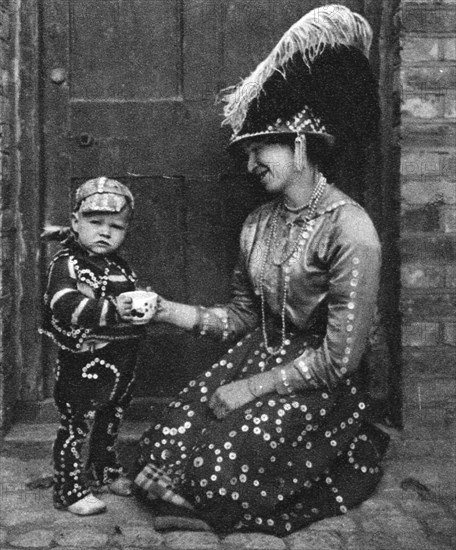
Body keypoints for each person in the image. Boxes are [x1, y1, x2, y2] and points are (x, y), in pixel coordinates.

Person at [131, 5, 390, 536]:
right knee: (168, 436)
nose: (250, 166)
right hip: (261, 352)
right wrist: (166, 311)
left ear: (299, 144)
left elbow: (342, 359)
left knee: (222, 462)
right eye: (247, 153)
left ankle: (206, 498)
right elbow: (246, 317)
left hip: (320, 379)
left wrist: (253, 388)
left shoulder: (351, 229)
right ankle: (183, 488)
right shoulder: (257, 223)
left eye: (259, 150)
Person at [40, 176, 149, 515]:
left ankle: (102, 469)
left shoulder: (118, 264)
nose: (105, 232)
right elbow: (63, 303)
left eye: (115, 225)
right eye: (95, 222)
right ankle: (69, 488)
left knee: (110, 418)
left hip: (120, 362)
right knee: (77, 424)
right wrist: (112, 310)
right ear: (75, 222)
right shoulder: (67, 263)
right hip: (82, 363)